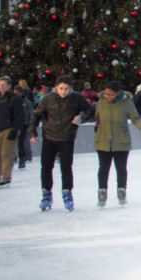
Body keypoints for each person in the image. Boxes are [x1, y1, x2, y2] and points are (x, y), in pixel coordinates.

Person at [28, 74, 92, 211]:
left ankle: (67, 193)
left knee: (66, 168)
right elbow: (36, 115)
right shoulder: (48, 99)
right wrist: (32, 132)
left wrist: (82, 117)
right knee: (46, 167)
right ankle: (46, 194)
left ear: (71, 88)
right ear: (56, 87)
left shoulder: (77, 98)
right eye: (61, 88)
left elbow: (90, 110)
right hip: (49, 137)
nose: (63, 91)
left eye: (66, 89)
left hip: (67, 138)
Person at [91, 80, 141, 208]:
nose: (108, 96)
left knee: (121, 168)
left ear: (118, 93)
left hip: (121, 141)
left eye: (111, 94)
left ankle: (121, 191)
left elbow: (135, 117)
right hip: (103, 140)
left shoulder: (126, 103)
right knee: (103, 168)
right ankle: (102, 192)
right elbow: (94, 116)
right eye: (107, 94)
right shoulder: (101, 102)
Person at [0, 76, 25, 189]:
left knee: (6, 154)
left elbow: (19, 116)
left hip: (9, 129)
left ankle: (6, 177)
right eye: (0, 85)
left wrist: (15, 130)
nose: (1, 87)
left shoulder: (14, 99)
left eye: (3, 85)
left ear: (9, 86)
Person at [13, 84, 34, 169]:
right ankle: (13, 158)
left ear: (21, 93)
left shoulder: (26, 102)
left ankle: (24, 158)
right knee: (13, 142)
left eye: (17, 93)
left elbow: (31, 113)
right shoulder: (12, 101)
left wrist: (30, 123)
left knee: (22, 142)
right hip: (14, 125)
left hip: (23, 124)